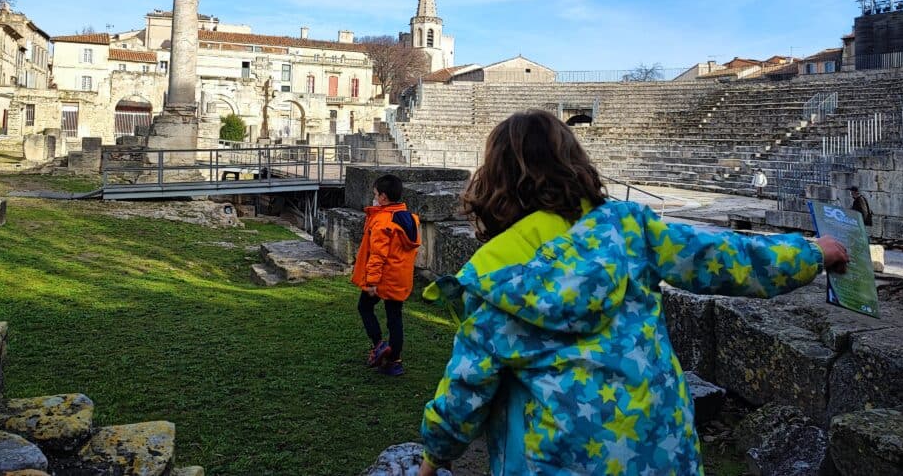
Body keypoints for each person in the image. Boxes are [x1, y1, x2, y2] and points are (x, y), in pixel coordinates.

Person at [418, 110, 848, 476]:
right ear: (573, 163)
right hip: (661, 449)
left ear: (494, 181)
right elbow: (723, 257)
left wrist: (433, 457)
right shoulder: (627, 228)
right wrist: (811, 254)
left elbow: (464, 388)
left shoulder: (494, 272)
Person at [352, 173, 422, 376]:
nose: (373, 198)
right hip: (400, 276)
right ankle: (395, 362)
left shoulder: (382, 221)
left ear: (383, 197)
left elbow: (378, 255)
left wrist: (372, 281)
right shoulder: (410, 218)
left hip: (384, 277)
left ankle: (379, 345)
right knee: (394, 317)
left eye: (375, 194)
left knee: (364, 307)